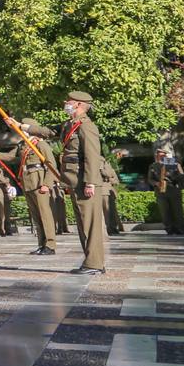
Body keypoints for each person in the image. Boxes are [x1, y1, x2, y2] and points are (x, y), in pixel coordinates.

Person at [0, 118, 59, 256]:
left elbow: (51, 165)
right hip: (28, 183)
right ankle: (42, 244)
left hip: (39, 183)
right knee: (36, 216)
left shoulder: (40, 145)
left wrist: (47, 184)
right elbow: (12, 158)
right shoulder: (24, 145)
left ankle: (50, 244)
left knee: (45, 215)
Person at [61, 91, 106, 275]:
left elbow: (92, 156)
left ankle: (94, 264)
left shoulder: (86, 126)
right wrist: (21, 126)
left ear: (79, 104)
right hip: (75, 180)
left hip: (83, 181)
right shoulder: (71, 124)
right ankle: (90, 262)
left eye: (69, 101)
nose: (66, 103)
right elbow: (50, 131)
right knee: (82, 223)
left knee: (90, 224)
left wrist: (91, 183)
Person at [148, 148, 184, 235]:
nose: (160, 156)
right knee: (165, 212)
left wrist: (173, 177)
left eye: (162, 155)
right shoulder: (153, 166)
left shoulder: (174, 164)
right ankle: (169, 229)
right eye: (158, 155)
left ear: (166, 155)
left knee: (177, 211)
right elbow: (150, 179)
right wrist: (156, 183)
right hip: (161, 192)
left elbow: (182, 176)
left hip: (173, 190)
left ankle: (181, 229)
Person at [101, 156, 124, 236]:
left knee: (112, 211)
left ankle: (114, 228)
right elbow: (103, 173)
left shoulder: (108, 165)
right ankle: (108, 229)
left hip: (111, 191)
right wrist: (109, 176)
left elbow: (116, 181)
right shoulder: (100, 162)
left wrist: (110, 178)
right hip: (103, 190)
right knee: (106, 211)